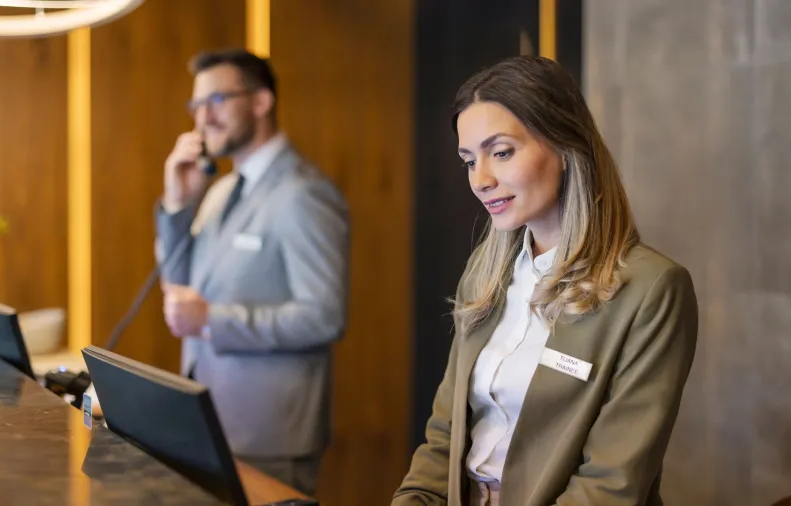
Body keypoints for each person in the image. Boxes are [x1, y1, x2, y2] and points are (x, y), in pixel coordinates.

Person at [393, 56, 699, 506]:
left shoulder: (654, 289)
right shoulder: (484, 274)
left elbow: (611, 485)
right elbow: (444, 436)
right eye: (468, 161)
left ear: (564, 146)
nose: (481, 180)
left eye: (501, 153)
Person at [154, 48, 349, 496]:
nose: (203, 118)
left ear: (261, 102)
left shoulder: (304, 193)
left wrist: (213, 320)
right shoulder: (219, 189)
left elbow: (324, 316)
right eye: (196, 105)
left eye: (216, 100)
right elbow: (178, 287)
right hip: (207, 425)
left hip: (269, 438)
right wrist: (177, 203)